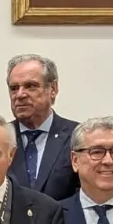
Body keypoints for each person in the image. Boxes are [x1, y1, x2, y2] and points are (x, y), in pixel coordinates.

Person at [7, 54, 80, 201]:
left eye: (30, 86)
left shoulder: (77, 136)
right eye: (14, 88)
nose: (19, 95)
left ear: (53, 89)